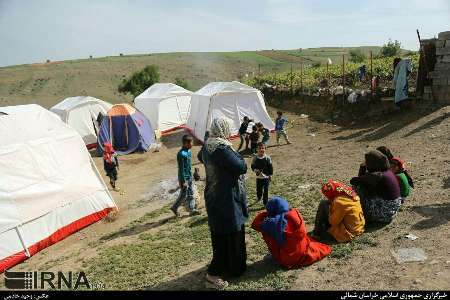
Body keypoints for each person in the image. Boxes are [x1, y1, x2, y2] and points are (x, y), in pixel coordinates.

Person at [197, 117, 248, 289]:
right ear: (224, 130)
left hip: (213, 195)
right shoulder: (221, 148)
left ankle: (232, 266)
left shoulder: (207, 145)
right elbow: (241, 166)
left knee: (223, 232)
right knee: (227, 233)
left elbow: (199, 156)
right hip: (225, 197)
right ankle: (213, 274)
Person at [251, 196, 332, 269]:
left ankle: (281, 254)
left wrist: (265, 213)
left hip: (287, 258)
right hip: (302, 250)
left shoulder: (273, 223)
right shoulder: (294, 213)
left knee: (267, 231)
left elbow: (255, 224)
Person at [350, 150, 401, 224]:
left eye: (367, 161)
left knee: (357, 189)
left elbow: (354, 181)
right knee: (363, 186)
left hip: (385, 213)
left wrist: (362, 167)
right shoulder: (387, 171)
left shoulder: (377, 175)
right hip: (392, 210)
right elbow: (363, 179)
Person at [171, 135, 199, 217]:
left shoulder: (189, 151)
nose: (192, 144)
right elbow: (181, 169)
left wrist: (195, 171)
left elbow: (188, 165)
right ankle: (175, 207)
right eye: (191, 142)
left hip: (189, 177)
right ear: (186, 143)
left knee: (190, 193)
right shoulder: (181, 154)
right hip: (184, 179)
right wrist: (183, 181)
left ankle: (192, 209)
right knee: (183, 195)